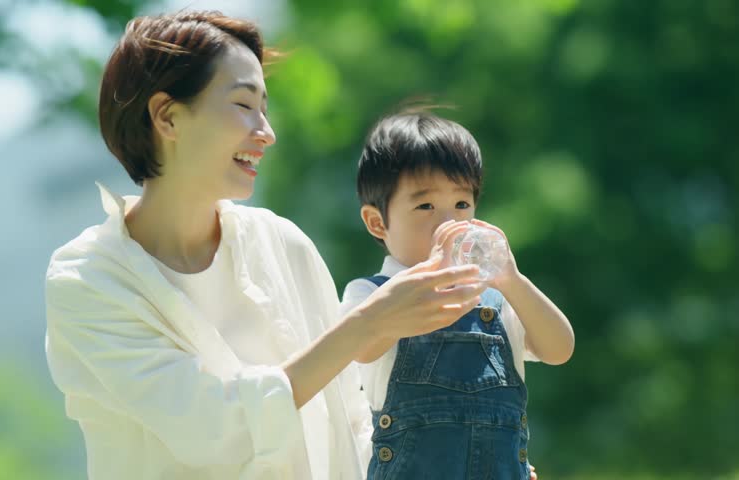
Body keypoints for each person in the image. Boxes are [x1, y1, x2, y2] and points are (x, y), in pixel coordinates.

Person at [44, 11, 486, 480]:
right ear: (168, 117)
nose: (266, 132)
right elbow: (211, 429)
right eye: (242, 105)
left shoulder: (282, 243)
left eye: (264, 108)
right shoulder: (88, 279)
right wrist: (368, 323)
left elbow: (355, 425)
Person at [340, 111, 575, 479]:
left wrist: (514, 281)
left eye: (462, 205)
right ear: (377, 222)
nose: (448, 222)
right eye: (425, 206)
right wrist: (421, 284)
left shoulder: (494, 299)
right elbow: (362, 348)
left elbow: (559, 348)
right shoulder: (371, 294)